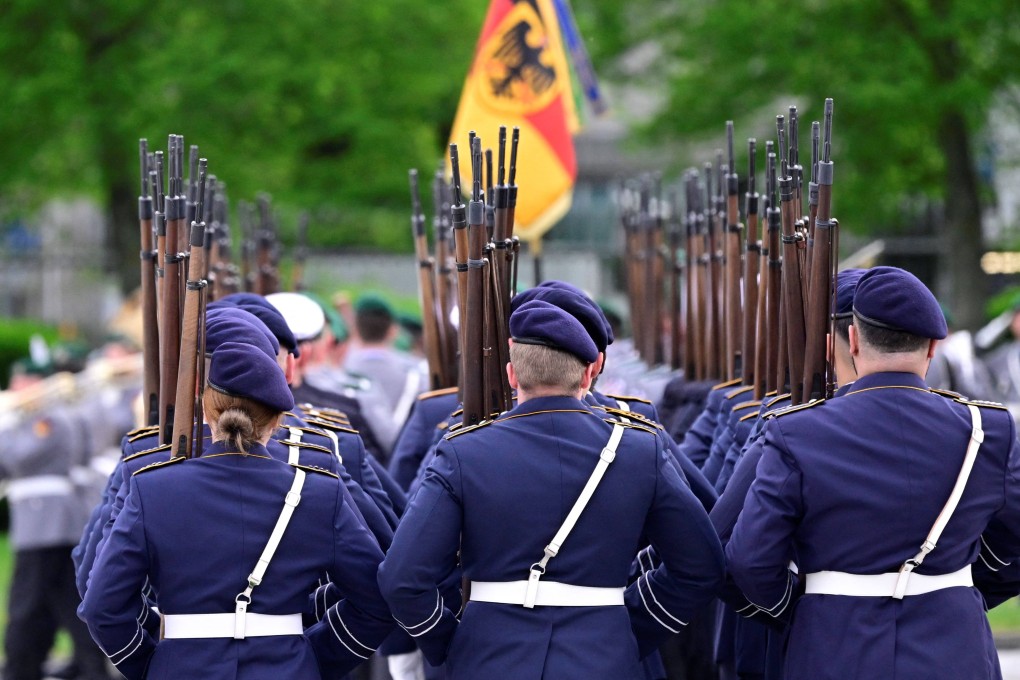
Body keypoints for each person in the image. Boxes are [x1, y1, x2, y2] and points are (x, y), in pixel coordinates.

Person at [379, 299, 724, 679]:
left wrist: (447, 642)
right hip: (603, 655)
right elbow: (701, 565)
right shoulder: (640, 450)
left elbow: (401, 577)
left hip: (489, 657)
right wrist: (629, 627)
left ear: (511, 375)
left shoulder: (463, 451)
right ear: (588, 375)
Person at [726, 266, 1020, 680]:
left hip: (832, 646)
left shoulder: (797, 431)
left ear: (853, 340)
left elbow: (749, 559)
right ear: (934, 347)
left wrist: (811, 607)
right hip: (956, 647)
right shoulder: (988, 430)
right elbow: (1014, 544)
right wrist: (955, 589)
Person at [79, 341, 394, 679]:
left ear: (206, 409)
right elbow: (374, 600)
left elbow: (102, 606)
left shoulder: (152, 488)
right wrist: (314, 658)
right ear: (277, 418)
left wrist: (155, 662)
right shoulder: (319, 491)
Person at [0, 358, 114, 680]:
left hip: (47, 523)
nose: (16, 388)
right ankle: (84, 667)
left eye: (24, 381)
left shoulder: (49, 419)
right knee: (64, 600)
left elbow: (17, 456)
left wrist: (4, 423)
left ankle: (23, 668)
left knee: (27, 602)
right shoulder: (31, 419)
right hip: (42, 522)